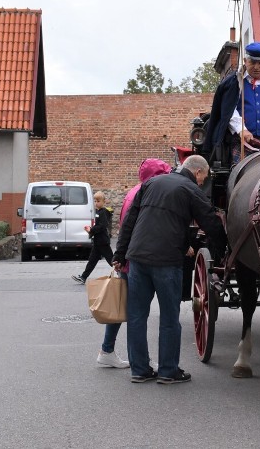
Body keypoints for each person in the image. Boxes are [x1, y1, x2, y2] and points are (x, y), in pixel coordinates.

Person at [113, 154, 225, 384]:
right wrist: (223, 251)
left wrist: (119, 254)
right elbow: (211, 222)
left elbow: (129, 222)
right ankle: (167, 370)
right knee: (169, 317)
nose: (203, 182)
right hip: (166, 260)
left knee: (136, 316)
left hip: (138, 259)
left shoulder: (151, 183)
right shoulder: (191, 189)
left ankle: (140, 369)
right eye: (204, 177)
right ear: (197, 172)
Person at [91, 159, 172, 371]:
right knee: (135, 313)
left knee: (123, 307)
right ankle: (136, 360)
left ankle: (107, 351)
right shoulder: (149, 193)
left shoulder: (134, 191)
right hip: (137, 260)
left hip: (129, 257)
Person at [202, 41, 260, 164]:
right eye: (252, 62)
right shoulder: (234, 83)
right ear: (245, 61)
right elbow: (228, 110)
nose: (256, 67)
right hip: (242, 144)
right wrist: (241, 129)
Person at [72, 191, 114, 284]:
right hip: (98, 242)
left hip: (103, 242)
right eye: (95, 201)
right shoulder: (98, 211)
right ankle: (83, 277)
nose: (96, 203)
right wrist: (91, 230)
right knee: (92, 260)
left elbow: (103, 226)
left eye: (98, 201)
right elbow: (98, 225)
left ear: (104, 201)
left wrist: (91, 230)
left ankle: (123, 273)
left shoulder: (103, 212)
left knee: (111, 260)